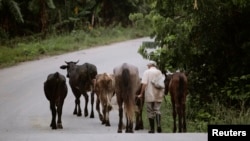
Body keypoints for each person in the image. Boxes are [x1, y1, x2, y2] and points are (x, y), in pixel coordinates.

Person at [138, 60, 165, 133]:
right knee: (157, 110)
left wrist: (141, 93)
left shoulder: (147, 72)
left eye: (148, 65)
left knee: (150, 111)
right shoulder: (159, 72)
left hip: (149, 94)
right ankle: (159, 125)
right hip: (158, 94)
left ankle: (152, 129)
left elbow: (144, 84)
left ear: (150, 65)